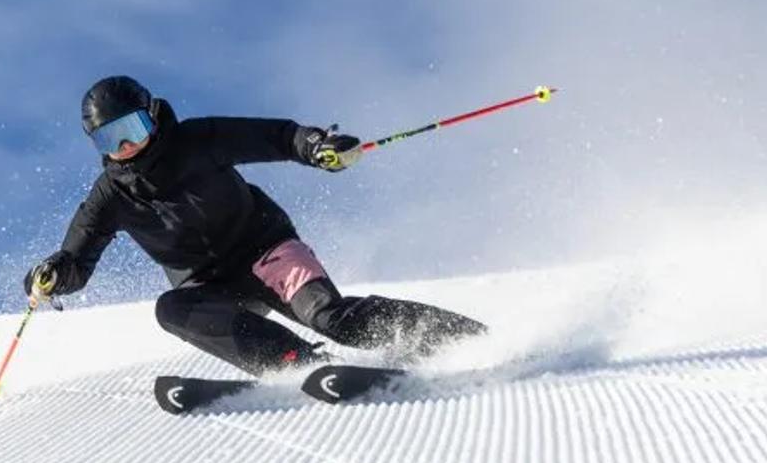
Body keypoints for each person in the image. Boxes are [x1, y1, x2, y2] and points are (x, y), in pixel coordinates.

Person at [24, 75, 486, 376]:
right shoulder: (110, 196)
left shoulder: (198, 140)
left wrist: (318, 146)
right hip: (210, 287)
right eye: (111, 139)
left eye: (134, 128)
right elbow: (75, 259)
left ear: (153, 115)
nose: (126, 145)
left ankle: (452, 335)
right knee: (171, 309)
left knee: (331, 317)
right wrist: (51, 276)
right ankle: (297, 363)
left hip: (267, 252)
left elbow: (279, 138)